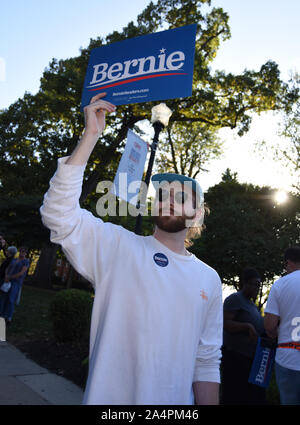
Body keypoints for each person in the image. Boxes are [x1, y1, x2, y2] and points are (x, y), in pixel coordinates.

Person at [40, 92, 223, 405]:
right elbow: (58, 215)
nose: (168, 199)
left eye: (181, 198)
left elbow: (206, 360)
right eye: (163, 193)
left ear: (198, 214)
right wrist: (91, 135)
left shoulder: (210, 279)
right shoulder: (118, 246)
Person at [221, 268, 266, 404]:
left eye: (259, 285)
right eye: (254, 284)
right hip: (235, 358)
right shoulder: (235, 299)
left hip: (250, 360)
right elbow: (225, 323)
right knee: (234, 397)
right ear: (244, 283)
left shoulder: (252, 305)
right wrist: (247, 326)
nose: (257, 288)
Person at [264, 247, 300, 405]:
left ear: (288, 263)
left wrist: (275, 332)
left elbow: (269, 326)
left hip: (287, 356)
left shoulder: (280, 285)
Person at [0, 246, 29, 324]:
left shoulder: (25, 262)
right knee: (3, 297)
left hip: (16, 282)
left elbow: (21, 273)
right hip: (7, 280)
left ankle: (9, 317)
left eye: (24, 252)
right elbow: (7, 268)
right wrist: (6, 276)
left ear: (26, 254)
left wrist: (10, 277)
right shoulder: (14, 259)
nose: (22, 253)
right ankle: (1, 314)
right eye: (22, 251)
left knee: (11, 299)